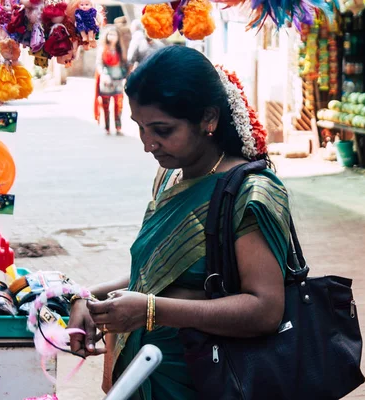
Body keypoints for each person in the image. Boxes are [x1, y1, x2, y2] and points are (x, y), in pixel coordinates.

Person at [70, 46, 289, 399]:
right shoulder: (169, 178)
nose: (148, 144)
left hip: (206, 379)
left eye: (162, 129)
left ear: (208, 119)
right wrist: (88, 298)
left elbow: (265, 310)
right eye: (140, 128)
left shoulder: (250, 194)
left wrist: (151, 311)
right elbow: (160, 271)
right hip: (145, 371)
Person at [94, 26, 127, 135]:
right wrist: (104, 75)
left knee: (118, 104)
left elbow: (124, 64)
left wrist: (124, 77)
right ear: (106, 36)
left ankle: (118, 128)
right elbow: (99, 64)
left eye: (114, 34)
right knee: (106, 105)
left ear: (118, 37)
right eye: (110, 34)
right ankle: (107, 127)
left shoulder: (120, 49)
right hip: (106, 79)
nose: (112, 37)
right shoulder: (102, 49)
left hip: (118, 79)